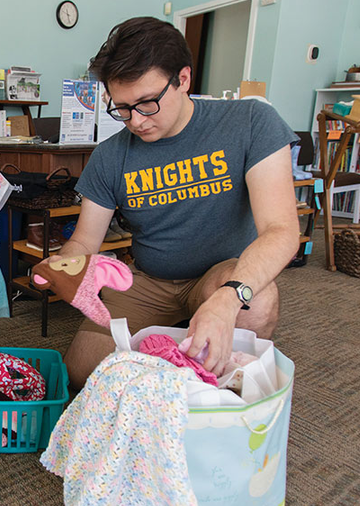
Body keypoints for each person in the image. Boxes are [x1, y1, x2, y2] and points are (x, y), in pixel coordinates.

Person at [49, 17, 300, 388]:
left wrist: (228, 299)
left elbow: (281, 231)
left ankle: (218, 378)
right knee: (82, 375)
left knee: (256, 300)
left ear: (183, 80)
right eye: (121, 108)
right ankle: (180, 354)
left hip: (222, 275)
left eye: (146, 103)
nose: (134, 121)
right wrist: (64, 266)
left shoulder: (250, 121)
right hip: (150, 282)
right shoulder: (109, 156)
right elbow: (85, 242)